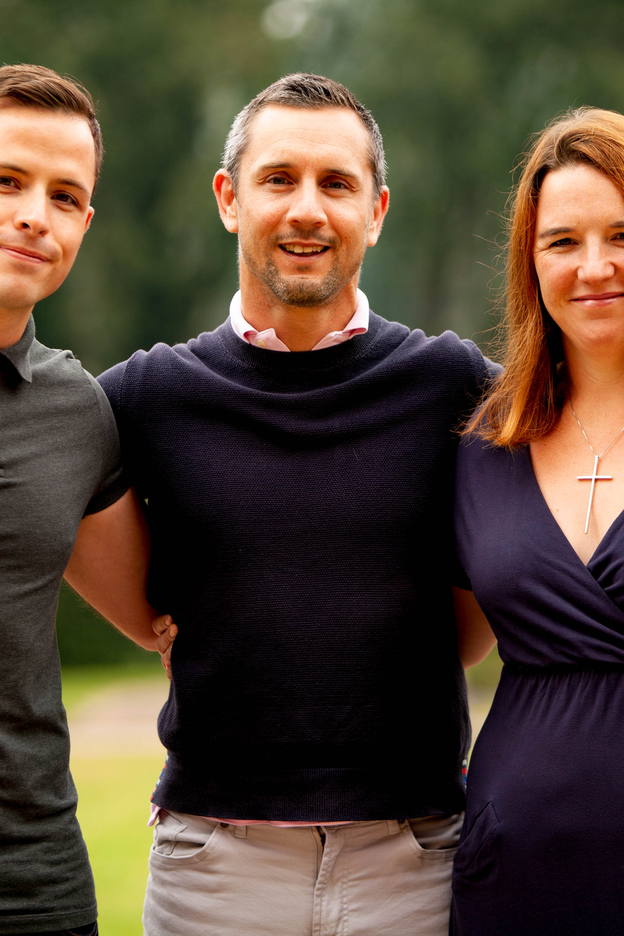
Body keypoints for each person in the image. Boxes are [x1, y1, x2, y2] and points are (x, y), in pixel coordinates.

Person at [99, 73, 492, 936]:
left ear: (377, 210)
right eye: (279, 178)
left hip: (416, 860)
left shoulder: (453, 384)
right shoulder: (147, 394)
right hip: (214, 868)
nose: (307, 209)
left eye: (337, 183)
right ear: (229, 198)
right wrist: (158, 626)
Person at [0, 64, 175, 936]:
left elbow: (161, 618)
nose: (35, 213)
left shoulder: (77, 411)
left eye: (64, 196)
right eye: (6, 182)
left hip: (32, 876)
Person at [452, 106, 624, 935]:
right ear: (530, 262)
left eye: (622, 234)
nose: (594, 266)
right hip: (511, 869)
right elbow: (437, 640)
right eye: (562, 241)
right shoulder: (486, 447)